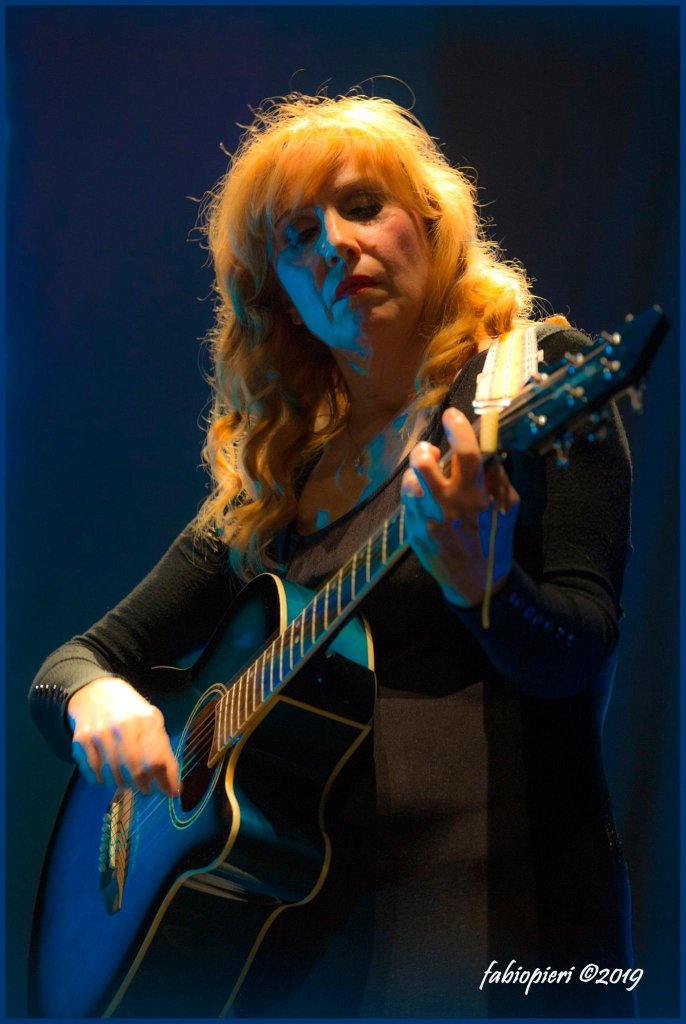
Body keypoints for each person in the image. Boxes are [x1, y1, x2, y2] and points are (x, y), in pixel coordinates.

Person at [29, 91, 636, 1018]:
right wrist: (97, 698)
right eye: (299, 236)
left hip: (496, 937)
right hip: (297, 962)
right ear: (279, 295)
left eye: (361, 206)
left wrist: (488, 589)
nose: (337, 246)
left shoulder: (528, 385)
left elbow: (579, 653)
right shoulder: (277, 487)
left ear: (428, 222)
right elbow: (69, 667)